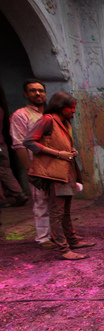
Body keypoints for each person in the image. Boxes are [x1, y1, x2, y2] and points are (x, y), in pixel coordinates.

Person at [24, 92, 95, 260]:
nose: (73, 111)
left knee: (65, 212)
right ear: (60, 106)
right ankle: (63, 249)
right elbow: (29, 141)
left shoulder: (62, 123)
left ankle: (72, 240)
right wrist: (58, 154)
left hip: (66, 172)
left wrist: (70, 152)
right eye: (70, 108)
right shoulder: (47, 119)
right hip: (56, 174)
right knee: (57, 212)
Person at [9, 79, 52, 248]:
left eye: (40, 90)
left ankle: (57, 233)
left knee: (56, 200)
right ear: (26, 94)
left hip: (53, 163)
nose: (37, 94)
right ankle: (43, 237)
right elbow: (19, 144)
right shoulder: (21, 115)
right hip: (36, 164)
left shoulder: (48, 114)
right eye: (33, 90)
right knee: (40, 200)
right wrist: (29, 168)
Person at [1, 106, 29, 208]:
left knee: (4, 170)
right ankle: (17, 194)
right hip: (2, 145)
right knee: (5, 170)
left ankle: (15, 195)